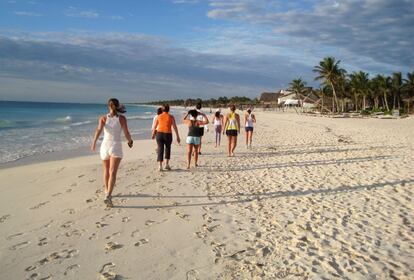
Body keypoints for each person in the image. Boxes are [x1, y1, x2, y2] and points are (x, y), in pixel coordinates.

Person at [91, 98, 133, 208]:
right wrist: (130, 141)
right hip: (115, 146)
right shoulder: (122, 118)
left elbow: (98, 130)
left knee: (106, 171)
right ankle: (109, 195)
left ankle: (106, 191)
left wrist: (94, 143)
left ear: (108, 106)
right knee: (113, 172)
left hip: (104, 146)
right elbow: (126, 132)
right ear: (117, 106)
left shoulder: (103, 118)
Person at [151, 104, 180, 171]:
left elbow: (155, 126)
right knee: (167, 148)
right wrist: (177, 136)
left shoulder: (159, 116)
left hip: (159, 134)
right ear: (168, 109)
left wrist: (153, 134)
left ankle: (160, 166)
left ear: (162, 109)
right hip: (168, 134)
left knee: (160, 149)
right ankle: (166, 164)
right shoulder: (171, 117)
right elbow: (175, 127)